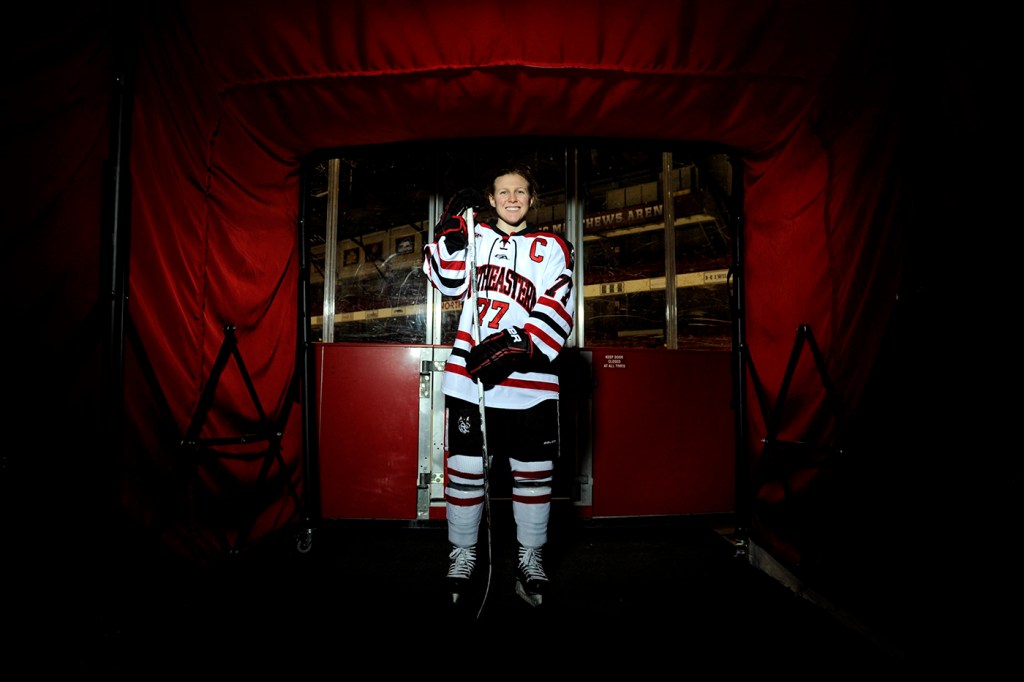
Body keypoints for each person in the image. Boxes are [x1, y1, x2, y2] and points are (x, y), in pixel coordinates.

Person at [422, 165, 577, 608]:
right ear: (490, 199)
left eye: (520, 192)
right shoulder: (476, 235)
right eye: (503, 192)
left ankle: (530, 558)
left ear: (532, 198)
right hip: (470, 383)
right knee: (466, 475)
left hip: (533, 385)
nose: (512, 199)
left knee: (533, 478)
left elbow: (558, 307)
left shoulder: (553, 247)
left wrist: (516, 345)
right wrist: (450, 233)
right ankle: (463, 553)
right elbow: (447, 281)